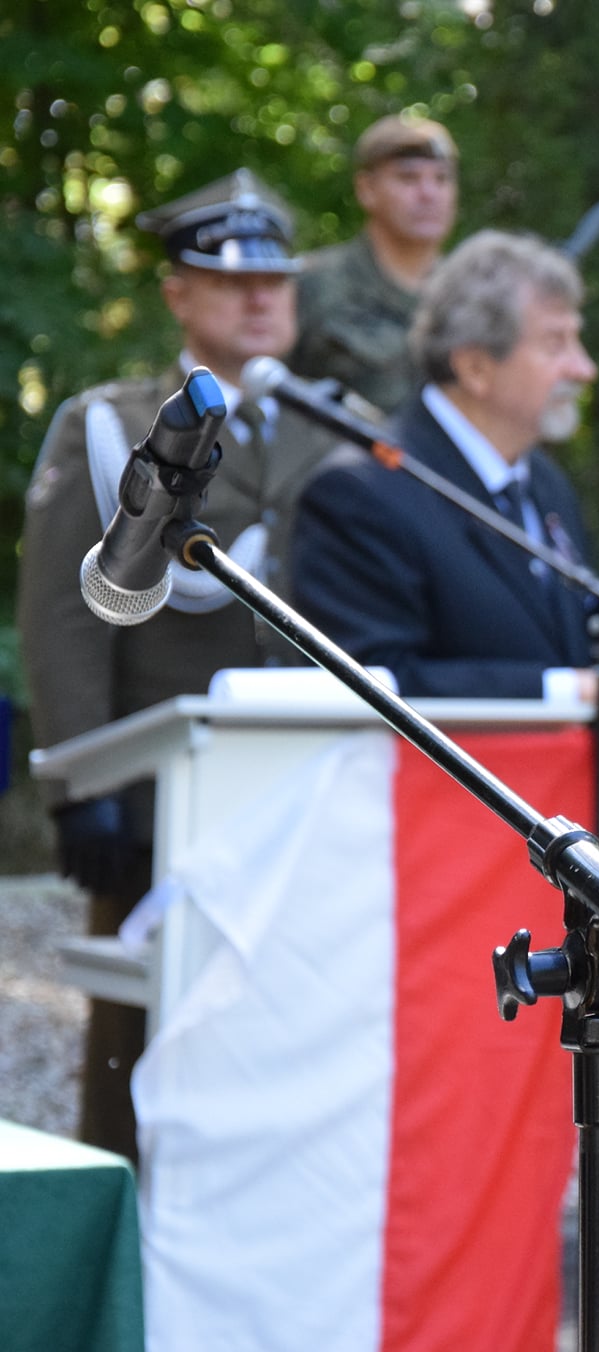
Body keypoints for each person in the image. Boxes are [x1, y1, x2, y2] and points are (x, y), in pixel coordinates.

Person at [17, 169, 336, 1161]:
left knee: (296, 1038)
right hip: (162, 801)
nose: (259, 299)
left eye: (275, 281)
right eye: (232, 281)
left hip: (308, 793)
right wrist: (84, 788)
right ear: (178, 296)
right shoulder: (115, 425)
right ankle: (130, 1240)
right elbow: (66, 616)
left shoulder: (333, 423)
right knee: (143, 1052)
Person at [291, 229, 599, 747]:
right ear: (475, 367)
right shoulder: (361, 492)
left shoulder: (545, 483)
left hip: (556, 794)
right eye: (555, 344)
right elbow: (373, 682)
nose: (584, 368)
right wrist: (563, 695)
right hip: (434, 795)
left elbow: (571, 643)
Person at [287, 113, 459, 415]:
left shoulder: (472, 295)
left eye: (441, 179)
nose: (429, 194)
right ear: (366, 189)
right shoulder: (313, 283)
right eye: (408, 178)